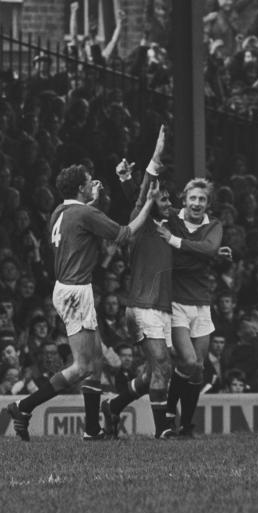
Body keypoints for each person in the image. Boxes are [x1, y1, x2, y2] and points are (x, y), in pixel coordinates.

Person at [7, 163, 160, 440]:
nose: (94, 184)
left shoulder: (60, 211)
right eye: (90, 181)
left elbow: (80, 226)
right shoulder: (84, 212)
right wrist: (149, 203)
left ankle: (92, 428)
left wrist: (92, 202)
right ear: (80, 187)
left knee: (96, 362)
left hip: (66, 288)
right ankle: (23, 406)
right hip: (77, 292)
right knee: (83, 366)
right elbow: (126, 234)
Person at [101, 126, 177, 438]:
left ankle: (115, 406)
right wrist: (158, 150)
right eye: (163, 198)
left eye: (170, 198)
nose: (168, 201)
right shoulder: (142, 223)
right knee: (160, 363)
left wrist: (125, 181)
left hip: (161, 307)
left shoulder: (167, 227)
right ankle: (163, 431)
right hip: (142, 305)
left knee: (160, 370)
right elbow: (147, 187)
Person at [158, 177, 226, 437]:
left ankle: (186, 425)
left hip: (202, 303)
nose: (197, 203)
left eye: (202, 199)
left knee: (197, 367)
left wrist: (174, 241)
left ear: (208, 203)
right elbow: (142, 203)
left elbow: (209, 249)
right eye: (193, 198)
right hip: (176, 301)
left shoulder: (213, 225)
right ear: (184, 199)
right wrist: (126, 180)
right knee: (187, 360)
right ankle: (168, 412)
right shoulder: (172, 217)